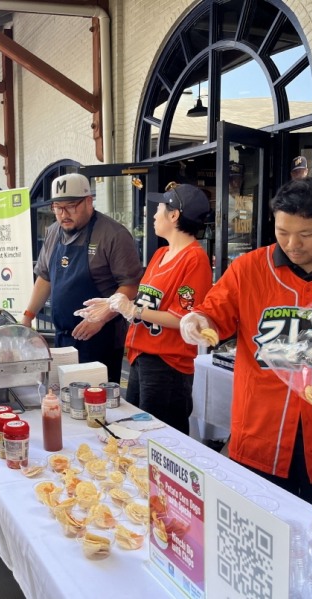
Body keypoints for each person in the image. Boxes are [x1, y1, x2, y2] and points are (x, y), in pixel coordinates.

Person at [180, 177, 312, 510]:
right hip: (259, 438)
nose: (292, 244)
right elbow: (213, 313)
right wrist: (197, 321)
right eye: (282, 232)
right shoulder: (249, 269)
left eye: (306, 234)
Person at [76, 184, 212, 434]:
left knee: (161, 436)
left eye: (159, 208)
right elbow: (143, 300)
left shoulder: (195, 259)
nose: (154, 214)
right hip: (140, 357)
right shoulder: (161, 254)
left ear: (174, 215)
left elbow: (183, 318)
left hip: (168, 365)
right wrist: (110, 304)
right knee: (136, 432)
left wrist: (132, 310)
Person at [22, 173, 143, 383]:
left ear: (89, 201)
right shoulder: (53, 232)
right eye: (57, 208)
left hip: (100, 339)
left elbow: (131, 285)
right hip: (63, 338)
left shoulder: (113, 234)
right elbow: (45, 278)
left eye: (70, 206)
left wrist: (101, 317)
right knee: (64, 399)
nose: (63, 214)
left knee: (96, 405)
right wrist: (27, 316)